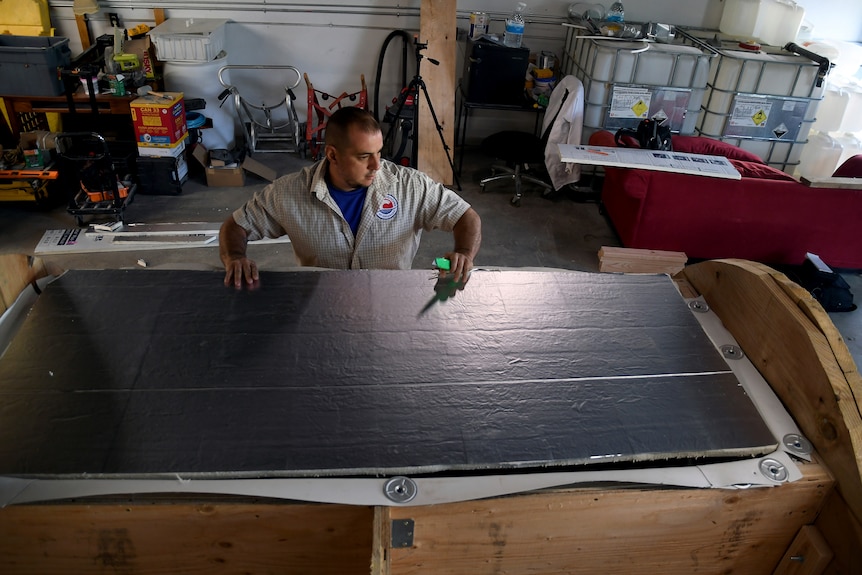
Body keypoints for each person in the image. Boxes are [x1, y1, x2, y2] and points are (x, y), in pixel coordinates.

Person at [219, 106, 481, 288]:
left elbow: (465, 216)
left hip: (389, 300)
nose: (377, 166)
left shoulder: (410, 186)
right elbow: (236, 225)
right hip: (319, 301)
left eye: (379, 152)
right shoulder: (288, 194)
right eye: (364, 156)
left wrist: (463, 253)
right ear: (332, 155)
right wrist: (234, 256)